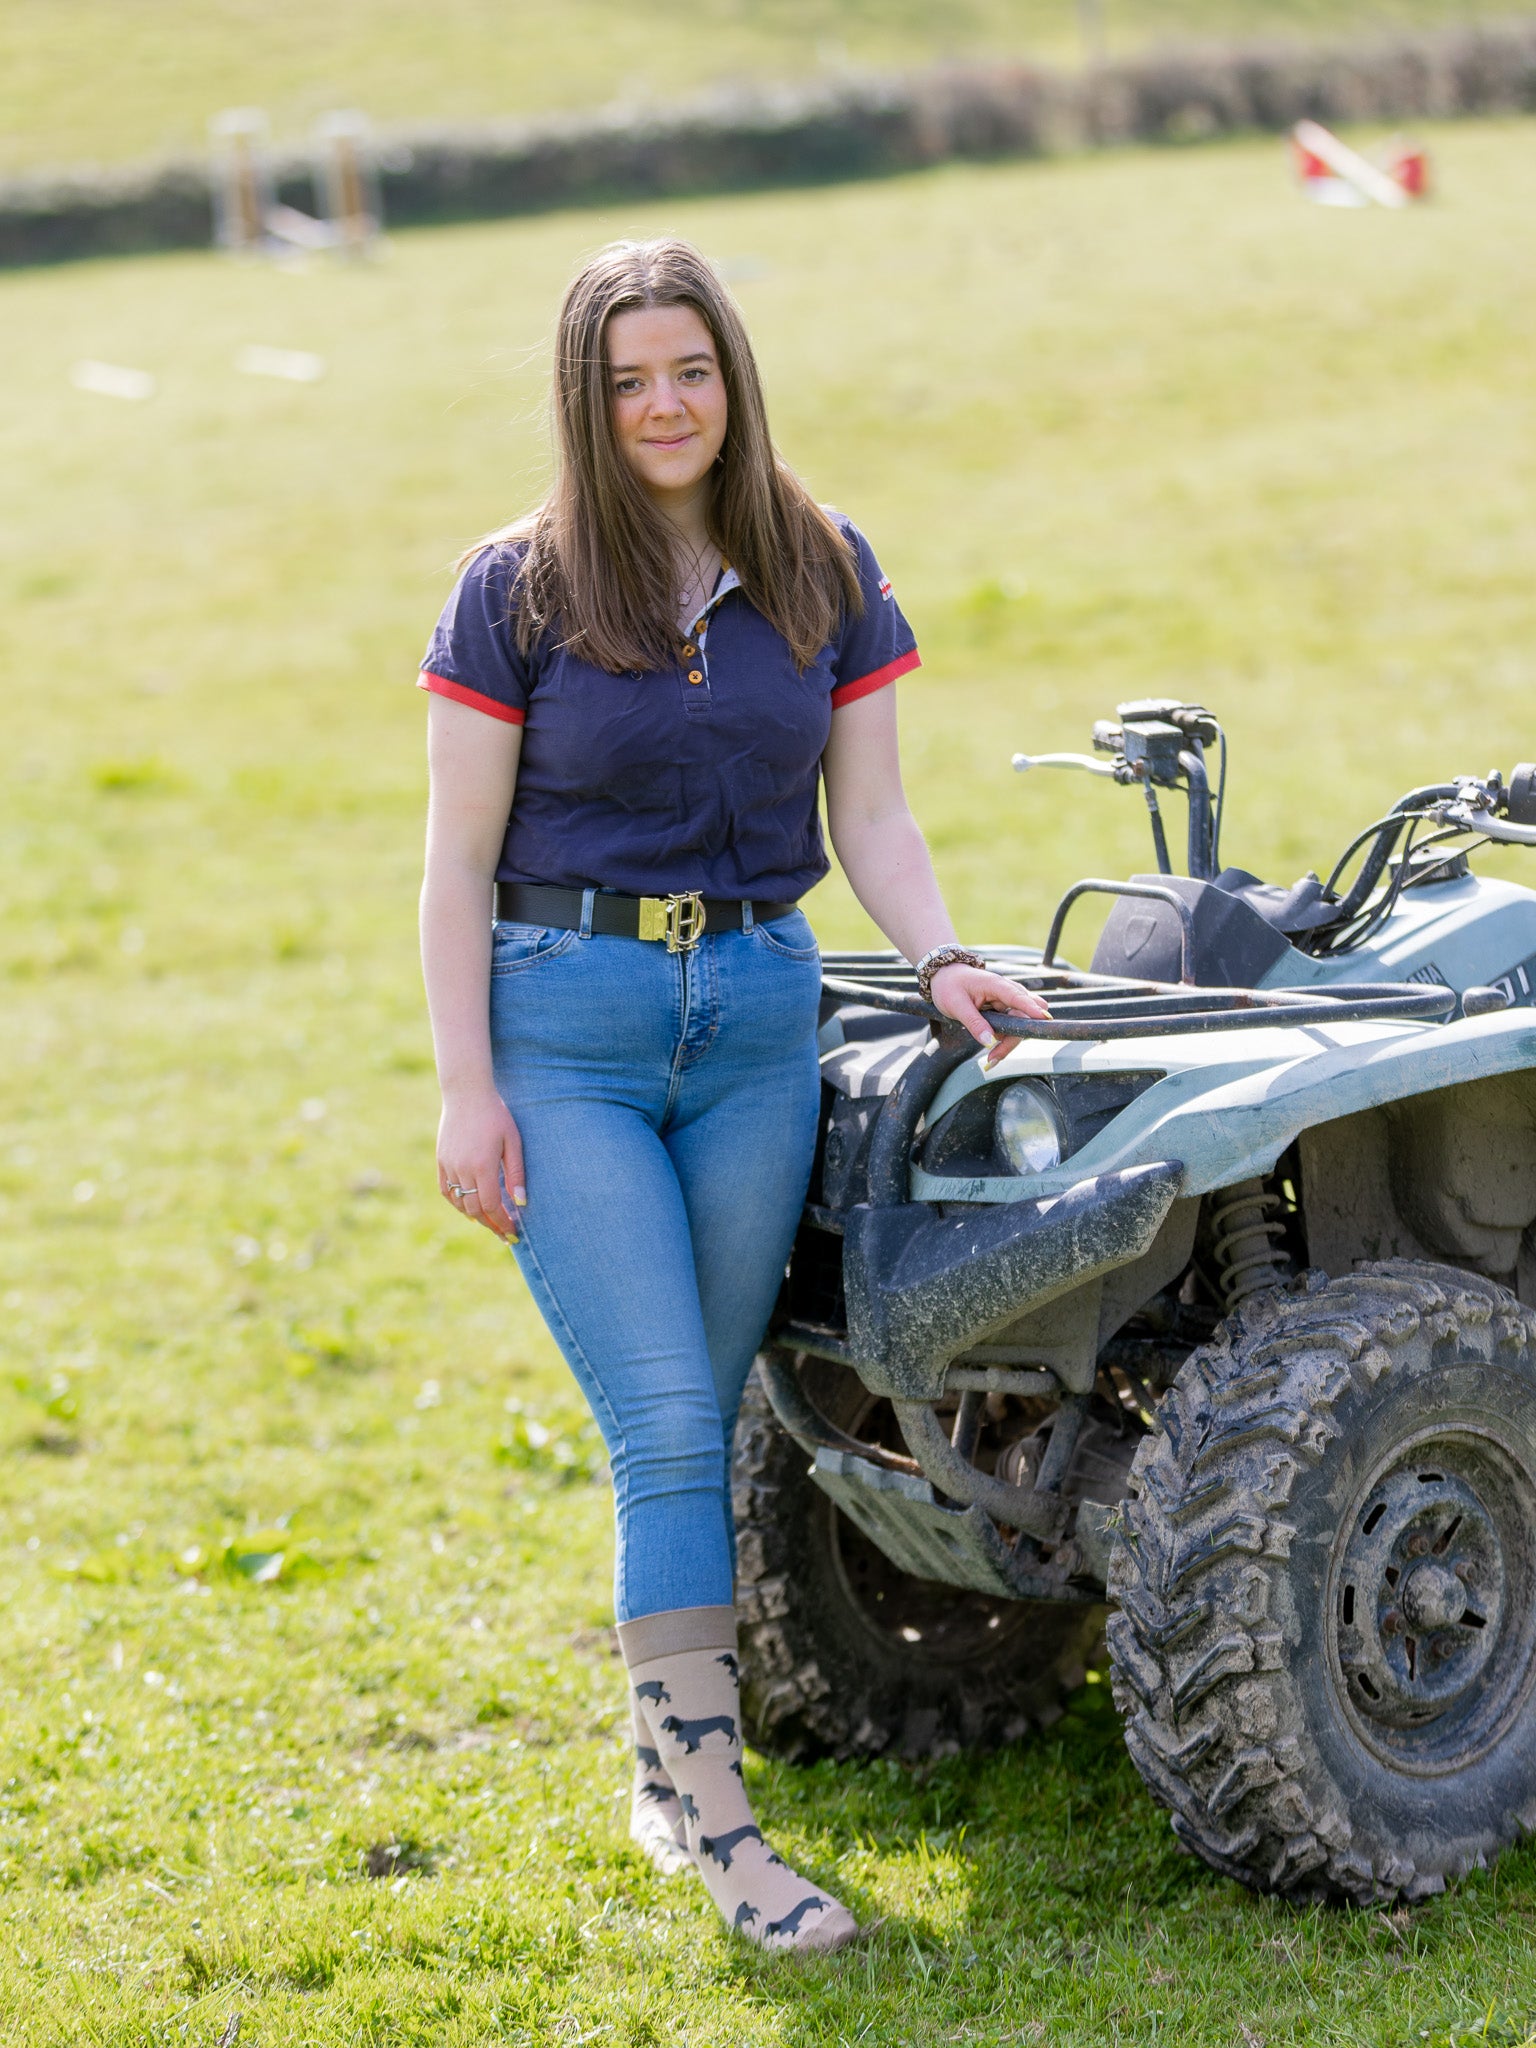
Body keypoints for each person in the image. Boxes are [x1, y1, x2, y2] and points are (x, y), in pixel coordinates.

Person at [417, 237, 1048, 1954]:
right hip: (571, 1034)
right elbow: (454, 862)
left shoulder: (823, 565)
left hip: (761, 1026)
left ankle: (657, 1765)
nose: (664, 405)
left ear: (733, 376)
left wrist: (940, 958)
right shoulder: (516, 588)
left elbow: (874, 818)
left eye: (689, 370)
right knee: (666, 1424)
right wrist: (467, 1090)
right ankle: (726, 1833)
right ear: (587, 400)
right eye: (628, 380)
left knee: (697, 1408)